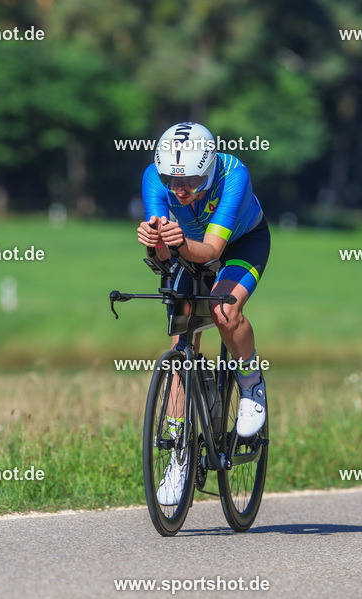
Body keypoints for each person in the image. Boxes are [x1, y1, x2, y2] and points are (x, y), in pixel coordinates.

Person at [137, 122, 271, 504]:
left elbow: (211, 251)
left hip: (240, 243)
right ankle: (179, 455)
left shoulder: (234, 174)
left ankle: (251, 382)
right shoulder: (153, 178)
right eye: (172, 180)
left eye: (193, 180)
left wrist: (176, 242)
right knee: (181, 337)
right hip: (187, 247)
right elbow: (163, 254)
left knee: (224, 311)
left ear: (209, 168)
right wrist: (154, 242)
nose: (180, 190)